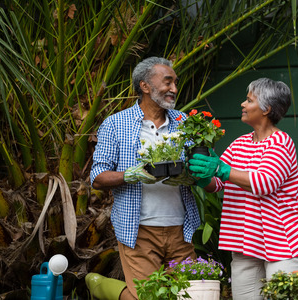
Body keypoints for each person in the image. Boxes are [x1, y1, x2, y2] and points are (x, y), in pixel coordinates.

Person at [189, 78, 298, 300]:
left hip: (284, 242)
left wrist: (221, 169)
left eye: (249, 100)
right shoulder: (240, 144)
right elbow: (217, 184)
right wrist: (203, 178)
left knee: (282, 297)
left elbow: (265, 182)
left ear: (266, 109)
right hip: (245, 240)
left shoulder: (281, 142)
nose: (242, 104)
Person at [89, 57, 200, 299]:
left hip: (181, 228)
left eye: (175, 83)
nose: (174, 89)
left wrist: (191, 176)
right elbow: (97, 176)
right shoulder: (116, 124)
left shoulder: (185, 123)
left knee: (191, 295)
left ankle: (106, 288)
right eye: (167, 82)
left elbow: (199, 167)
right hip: (138, 230)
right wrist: (130, 175)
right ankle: (103, 288)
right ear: (145, 86)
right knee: (150, 297)